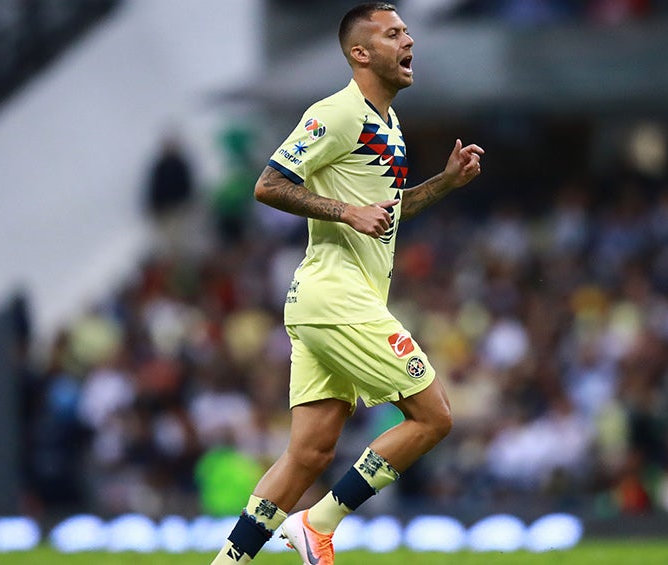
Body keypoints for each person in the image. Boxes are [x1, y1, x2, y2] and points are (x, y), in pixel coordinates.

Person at [209, 3, 484, 564]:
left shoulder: (387, 123)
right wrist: (344, 212)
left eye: (408, 32)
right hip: (337, 298)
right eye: (393, 34)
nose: (408, 41)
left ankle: (226, 564)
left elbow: (386, 211)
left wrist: (445, 184)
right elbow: (268, 184)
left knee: (308, 454)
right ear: (360, 53)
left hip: (326, 302)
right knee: (434, 417)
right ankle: (321, 523)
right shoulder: (336, 113)